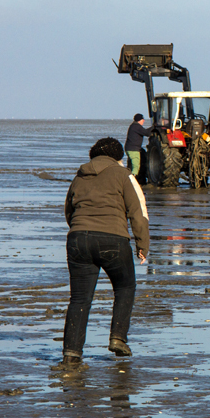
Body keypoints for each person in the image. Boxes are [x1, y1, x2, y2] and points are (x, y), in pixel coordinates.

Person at [62, 137, 149, 365]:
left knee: (79, 299)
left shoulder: (79, 176)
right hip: (114, 240)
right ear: (119, 156)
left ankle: (71, 353)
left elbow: (68, 210)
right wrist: (142, 245)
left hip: (78, 240)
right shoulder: (124, 175)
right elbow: (138, 212)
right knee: (125, 286)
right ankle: (118, 338)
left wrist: (80, 232)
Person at [124, 114, 153, 181]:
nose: (144, 121)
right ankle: (133, 180)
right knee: (136, 166)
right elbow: (147, 133)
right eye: (143, 120)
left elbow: (145, 132)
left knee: (131, 166)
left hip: (129, 148)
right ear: (140, 120)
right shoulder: (137, 127)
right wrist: (154, 127)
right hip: (133, 150)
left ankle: (128, 178)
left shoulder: (133, 126)